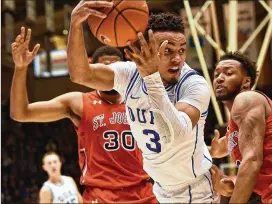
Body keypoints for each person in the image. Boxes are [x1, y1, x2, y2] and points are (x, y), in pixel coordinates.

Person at [67, 1, 232, 202]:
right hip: (160, 188)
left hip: (195, 189)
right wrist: (75, 24)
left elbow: (175, 134)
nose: (177, 59)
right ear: (147, 48)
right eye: (168, 51)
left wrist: (151, 77)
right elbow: (80, 74)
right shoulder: (129, 74)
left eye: (181, 50)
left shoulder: (194, 85)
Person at [9, 27, 157, 203]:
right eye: (104, 67)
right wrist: (20, 68)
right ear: (94, 72)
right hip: (101, 195)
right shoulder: (78, 103)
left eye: (115, 67)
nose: (109, 73)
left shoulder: (142, 100)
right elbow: (21, 113)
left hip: (144, 192)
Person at [211, 51, 272, 203]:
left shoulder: (247, 99)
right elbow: (222, 147)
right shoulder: (236, 128)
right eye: (216, 74)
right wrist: (213, 150)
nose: (220, 78)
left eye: (229, 73)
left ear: (246, 82)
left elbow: (252, 160)